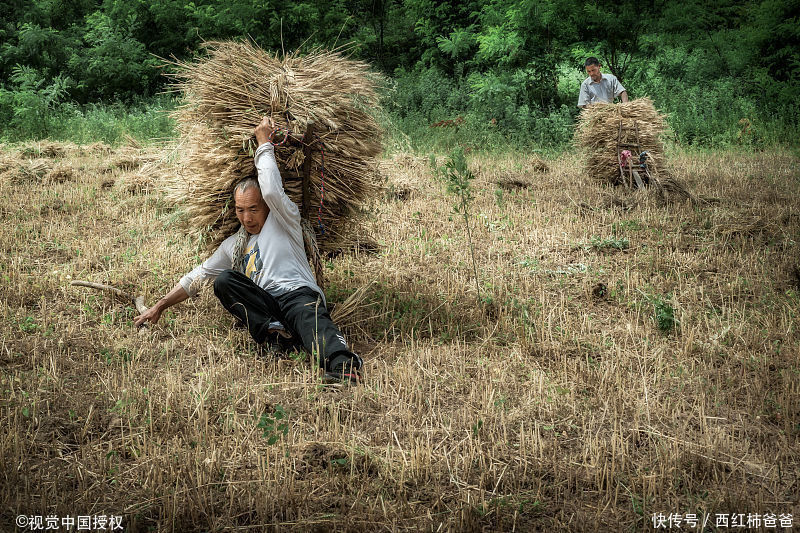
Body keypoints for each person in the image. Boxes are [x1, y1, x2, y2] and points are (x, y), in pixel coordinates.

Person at [133, 116, 363, 385]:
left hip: (295, 295)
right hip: (267, 308)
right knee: (224, 280)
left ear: (266, 207)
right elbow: (198, 277)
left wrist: (264, 143)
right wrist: (160, 305)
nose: (247, 217)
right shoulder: (234, 245)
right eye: (240, 210)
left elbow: (272, 190)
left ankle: (342, 365)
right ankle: (276, 336)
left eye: (253, 209)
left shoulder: (285, 220)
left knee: (309, 317)